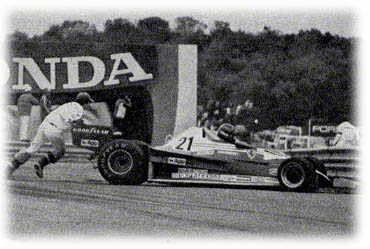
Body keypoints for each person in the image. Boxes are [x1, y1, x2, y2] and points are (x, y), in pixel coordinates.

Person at [7, 92, 95, 179]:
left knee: (31, 149)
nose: (88, 105)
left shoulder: (67, 105)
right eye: (87, 102)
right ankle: (41, 164)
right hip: (54, 129)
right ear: (85, 102)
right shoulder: (79, 109)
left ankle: (9, 168)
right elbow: (74, 121)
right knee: (61, 150)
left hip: (44, 125)